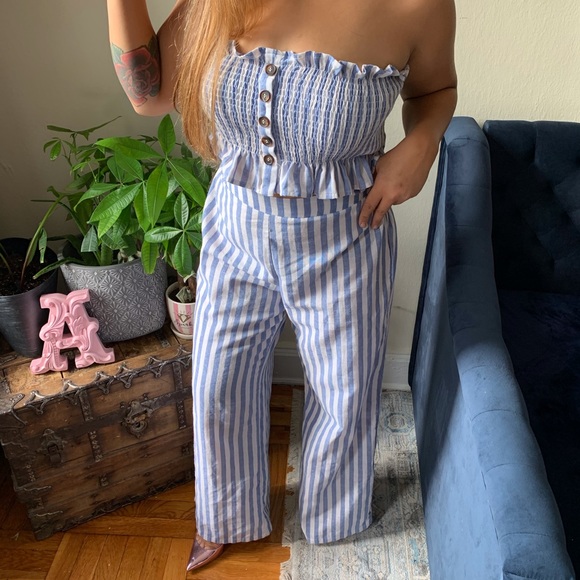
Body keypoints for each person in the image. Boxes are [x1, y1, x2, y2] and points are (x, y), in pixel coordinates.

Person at [106, 0, 457, 572]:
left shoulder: (416, 6)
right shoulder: (219, 4)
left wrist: (420, 145)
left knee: (345, 393)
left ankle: (333, 520)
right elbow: (150, 96)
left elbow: (436, 90)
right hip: (235, 235)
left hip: (348, 237)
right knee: (218, 384)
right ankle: (226, 515)